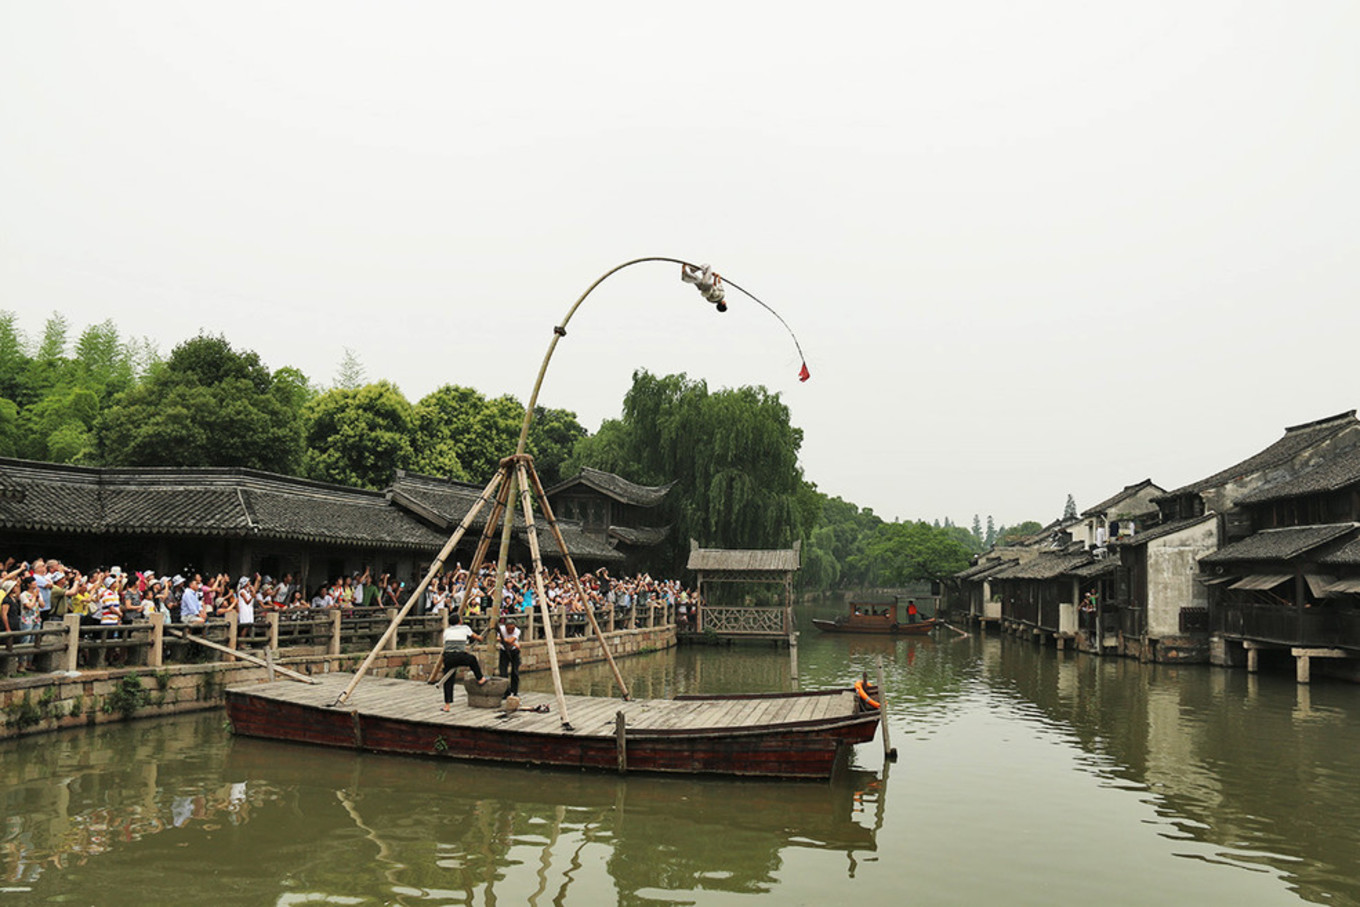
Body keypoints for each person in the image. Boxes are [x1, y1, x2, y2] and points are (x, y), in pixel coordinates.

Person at [440, 614, 487, 710]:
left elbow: (446, 643)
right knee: (472, 659)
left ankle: (447, 705)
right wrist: (480, 638)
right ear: (460, 621)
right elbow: (477, 637)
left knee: (448, 679)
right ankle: (480, 678)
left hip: (448, 657)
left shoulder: (447, 631)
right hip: (459, 655)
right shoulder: (465, 628)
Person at [497, 615, 521, 697]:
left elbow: (510, 641)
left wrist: (506, 641)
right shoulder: (501, 630)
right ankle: (505, 691)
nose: (510, 631)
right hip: (504, 651)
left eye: (512, 629)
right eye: (509, 629)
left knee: (515, 672)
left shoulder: (517, 631)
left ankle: (514, 691)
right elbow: (497, 638)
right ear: (505, 627)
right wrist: (512, 642)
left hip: (514, 651)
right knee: (503, 672)